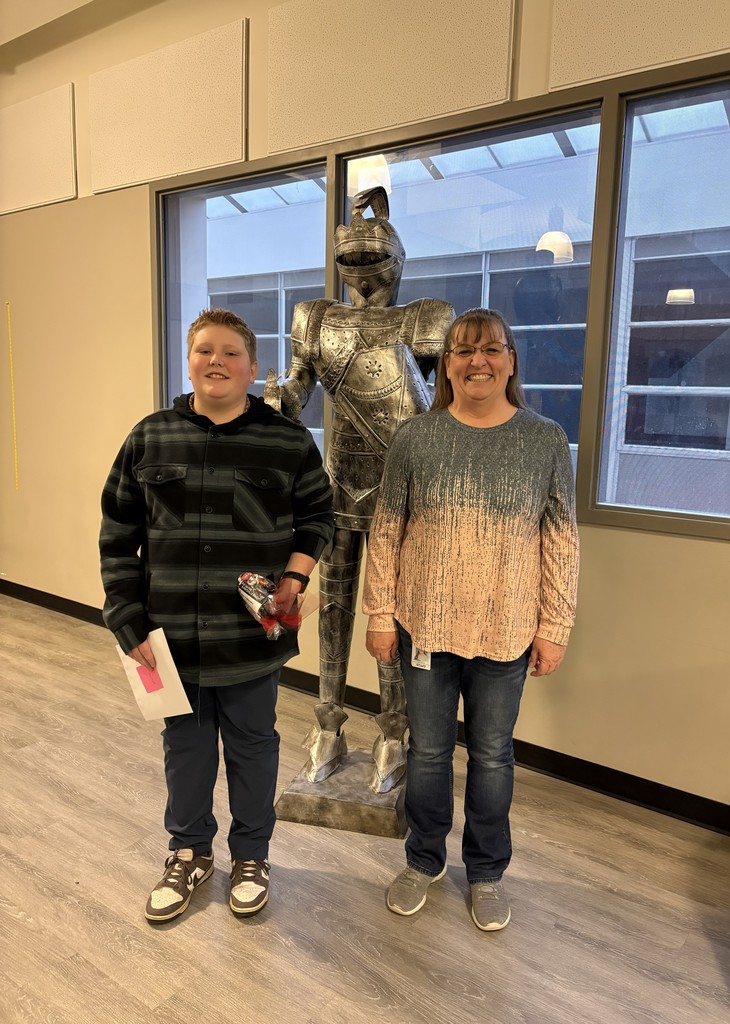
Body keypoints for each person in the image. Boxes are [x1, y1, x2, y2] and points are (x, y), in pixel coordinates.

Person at [99, 308, 334, 922]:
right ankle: (189, 852)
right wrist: (124, 616)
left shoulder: (288, 442)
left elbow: (317, 519)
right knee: (187, 747)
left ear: (252, 368)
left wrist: (296, 574)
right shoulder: (149, 437)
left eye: (231, 353)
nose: (217, 362)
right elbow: (118, 532)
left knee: (254, 748)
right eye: (206, 350)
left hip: (251, 639)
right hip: (168, 638)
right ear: (190, 360)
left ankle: (252, 856)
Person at [362, 307, 579, 931]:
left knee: (491, 758)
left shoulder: (543, 440)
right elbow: (387, 532)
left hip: (507, 629)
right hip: (424, 626)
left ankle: (485, 871)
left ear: (510, 362)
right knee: (427, 754)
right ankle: (423, 860)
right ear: (446, 365)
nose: (476, 361)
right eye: (462, 351)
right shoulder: (415, 437)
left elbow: (560, 540)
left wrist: (554, 626)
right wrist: (380, 613)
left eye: (491, 350)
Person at [274, 186, 453, 792]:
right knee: (334, 610)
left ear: (395, 260)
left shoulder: (424, 316)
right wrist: (281, 399)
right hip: (340, 484)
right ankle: (328, 720)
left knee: (391, 614)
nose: (360, 271)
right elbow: (299, 388)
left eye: (370, 257)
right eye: (349, 260)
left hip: (401, 492)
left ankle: (394, 730)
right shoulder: (315, 317)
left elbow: (439, 409)